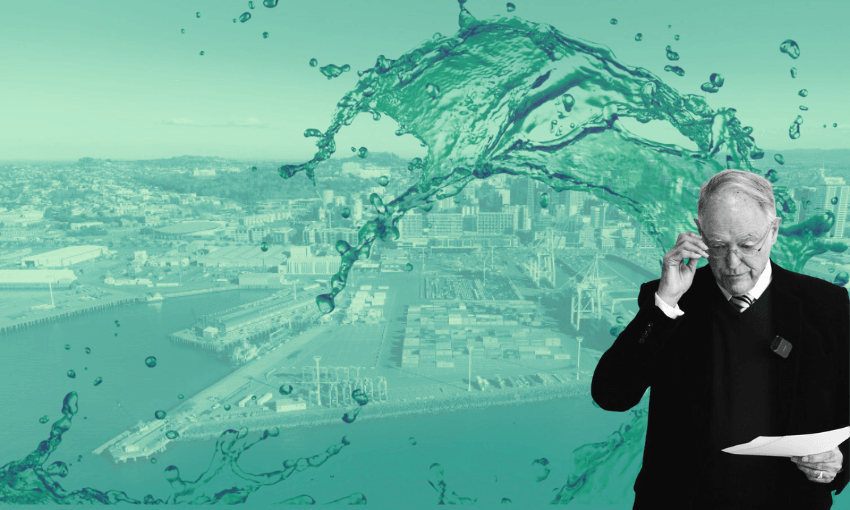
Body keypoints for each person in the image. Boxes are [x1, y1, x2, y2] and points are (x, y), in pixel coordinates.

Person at [591, 169, 849, 509]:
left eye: (746, 245)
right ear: (699, 234)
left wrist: (839, 460)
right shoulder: (667, 299)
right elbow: (612, 395)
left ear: (773, 231)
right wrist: (665, 305)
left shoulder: (826, 305)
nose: (732, 263)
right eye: (717, 245)